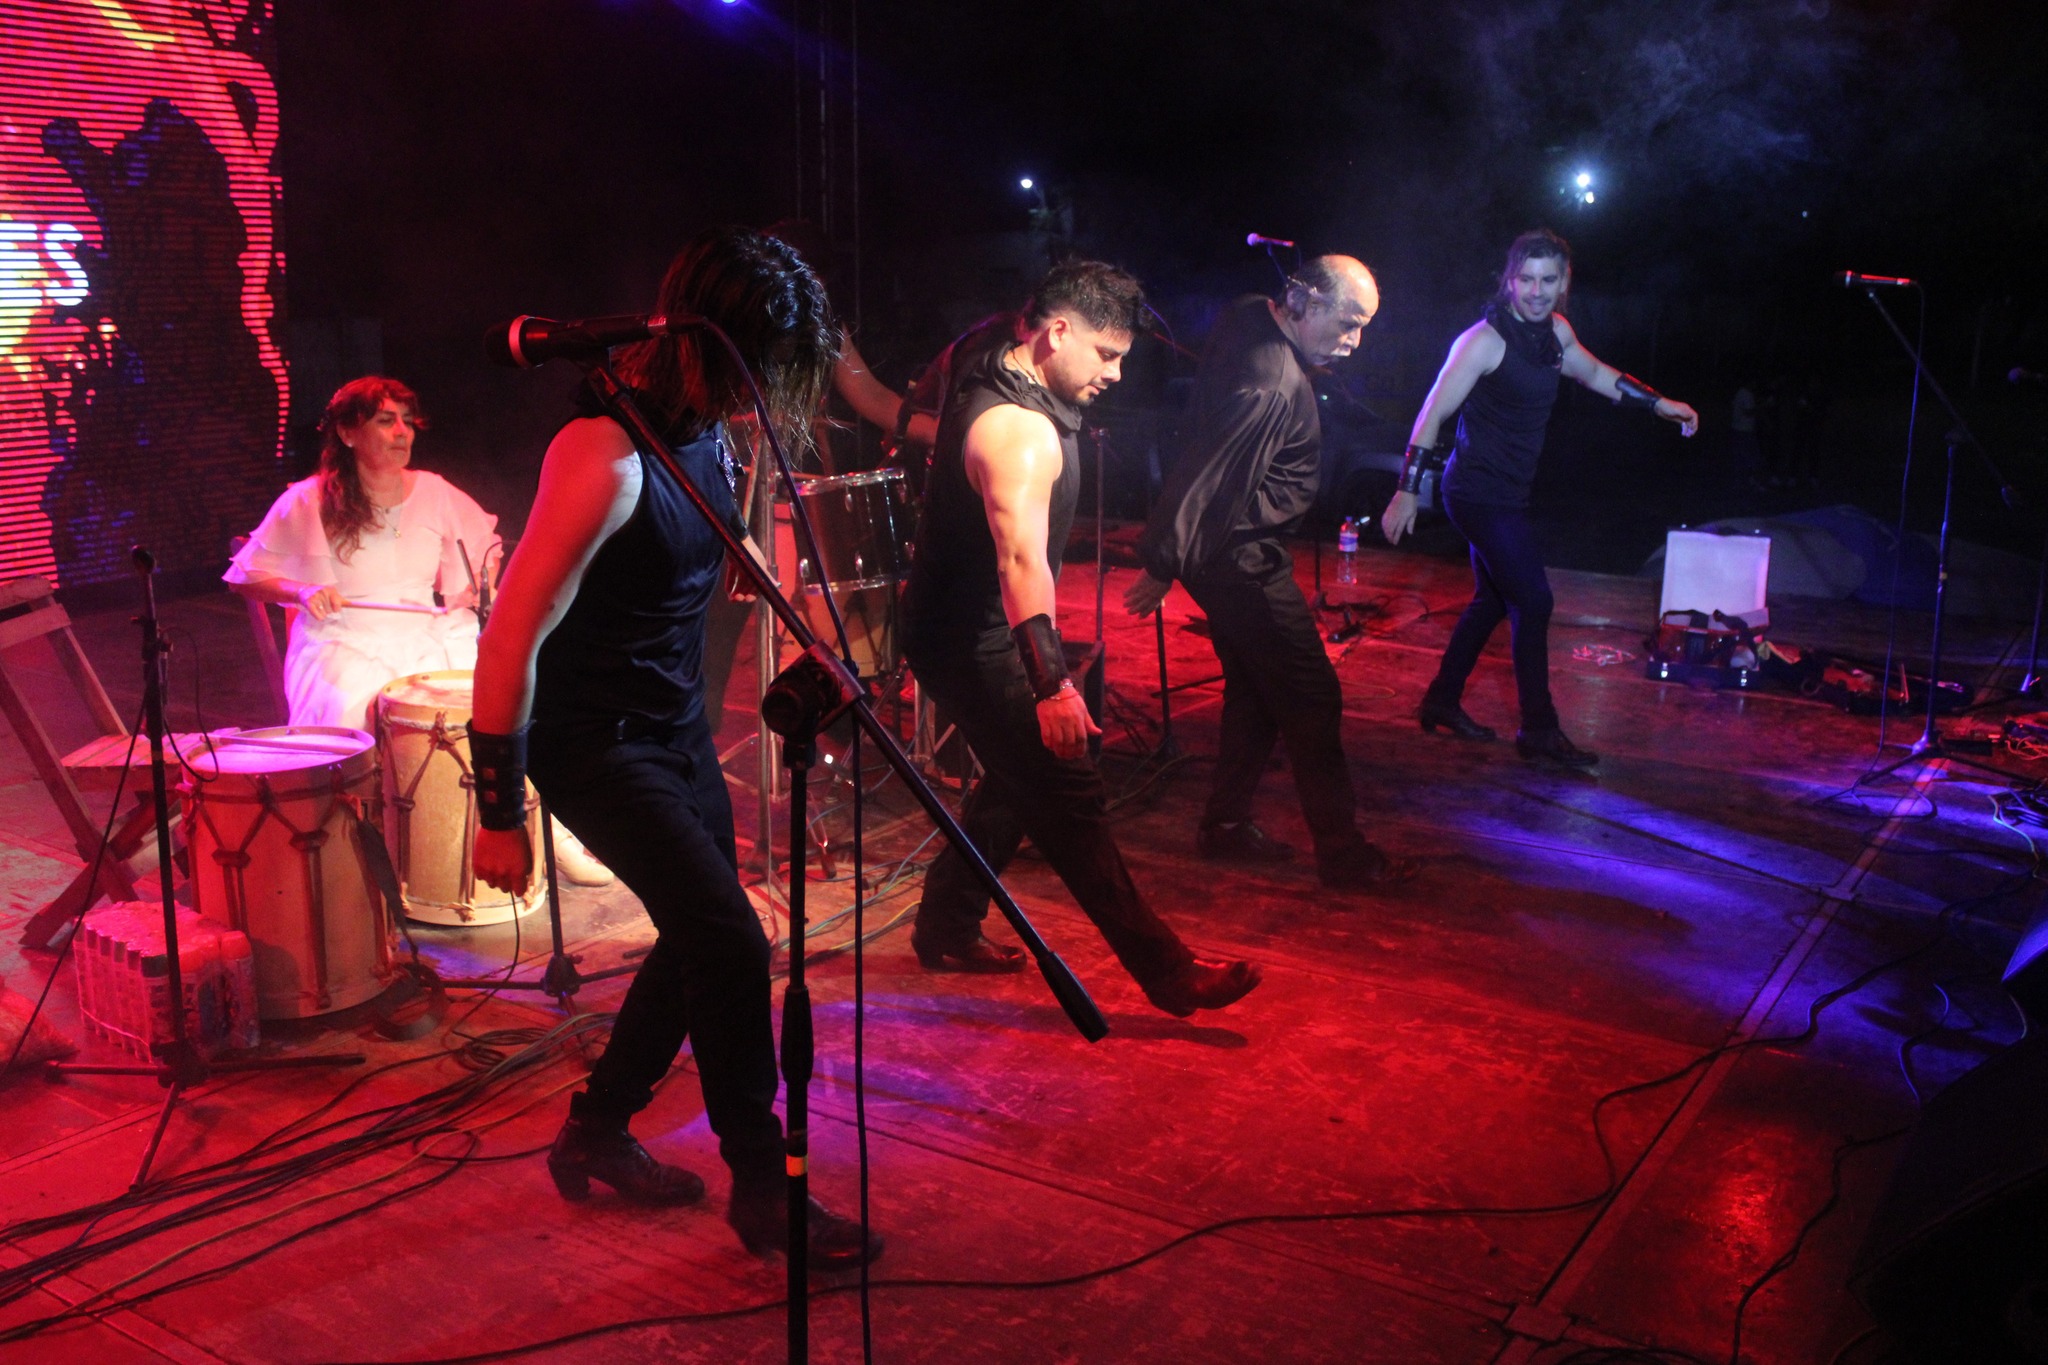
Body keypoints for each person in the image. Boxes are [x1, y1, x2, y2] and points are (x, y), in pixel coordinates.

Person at [468, 228, 879, 1269]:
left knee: (702, 932)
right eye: (765, 365)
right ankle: (764, 1191)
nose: (772, 392)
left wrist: (743, 563)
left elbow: (685, 539)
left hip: (672, 722)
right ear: (714, 343)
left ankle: (597, 1128)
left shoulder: (707, 434)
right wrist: (497, 810)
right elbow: (509, 636)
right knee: (731, 943)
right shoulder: (602, 454)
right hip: (593, 741)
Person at [901, 259, 1260, 1017]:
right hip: (971, 637)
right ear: (1058, 333)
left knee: (1017, 774)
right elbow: (1020, 561)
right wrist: (1052, 684)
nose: (1117, 374)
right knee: (1065, 781)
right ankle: (1167, 973)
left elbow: (936, 378)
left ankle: (946, 921)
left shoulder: (992, 347)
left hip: (955, 621)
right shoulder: (1020, 433)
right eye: (1106, 353)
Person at [227, 377, 612, 886]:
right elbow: (245, 577)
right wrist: (300, 591)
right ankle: (364, 862)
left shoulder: (433, 490)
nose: (402, 433)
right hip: (344, 638)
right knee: (356, 705)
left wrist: (478, 587)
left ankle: (547, 831)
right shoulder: (308, 499)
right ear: (347, 433)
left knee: (506, 692)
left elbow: (483, 555)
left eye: (407, 422)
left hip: (426, 629)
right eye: (386, 421)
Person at [1122, 257, 1413, 890]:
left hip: (1229, 553)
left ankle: (1225, 826)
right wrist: (1162, 562)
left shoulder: (1249, 313)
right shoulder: (1271, 384)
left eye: (1364, 327)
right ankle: (1343, 854)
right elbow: (1211, 475)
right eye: (1348, 323)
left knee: (1256, 689)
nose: (1355, 341)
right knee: (1312, 696)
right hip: (1242, 559)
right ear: (1305, 303)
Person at [1381, 229, 1700, 769]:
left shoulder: (1556, 333)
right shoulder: (1483, 341)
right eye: (1525, 279)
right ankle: (1539, 730)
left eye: (1547, 280)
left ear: (1563, 282)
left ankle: (1441, 699)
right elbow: (1432, 414)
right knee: (1533, 601)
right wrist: (1406, 492)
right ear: (1509, 281)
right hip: (1477, 493)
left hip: (1508, 492)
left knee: (1491, 600)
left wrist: (1658, 403)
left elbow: (1595, 373)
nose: (1536, 291)